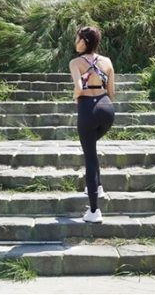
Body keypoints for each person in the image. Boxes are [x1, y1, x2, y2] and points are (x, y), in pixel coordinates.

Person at [68, 26, 116, 223]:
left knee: (89, 157)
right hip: (107, 109)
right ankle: (98, 186)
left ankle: (94, 211)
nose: (76, 42)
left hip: (87, 109)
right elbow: (111, 92)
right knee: (92, 149)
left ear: (85, 41)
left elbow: (79, 89)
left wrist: (74, 97)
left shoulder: (75, 62)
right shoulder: (107, 61)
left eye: (78, 39)